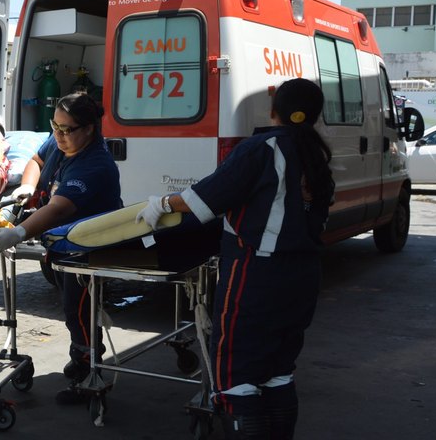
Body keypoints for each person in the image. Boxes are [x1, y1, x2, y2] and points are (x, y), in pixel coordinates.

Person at [135, 78, 334, 439]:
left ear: (274, 110)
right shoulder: (316, 153)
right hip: (304, 275)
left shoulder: (262, 147)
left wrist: (162, 204)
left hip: (258, 274)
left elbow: (207, 197)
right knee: (277, 372)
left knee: (236, 375)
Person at [0, 92, 122, 405]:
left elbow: (59, 208)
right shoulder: (62, 142)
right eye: (54, 126)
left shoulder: (95, 164)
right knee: (72, 306)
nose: (58, 135)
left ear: (89, 129)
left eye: (66, 129)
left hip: (88, 251)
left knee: (79, 310)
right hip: (62, 246)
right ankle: (82, 356)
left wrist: (17, 233)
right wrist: (28, 187)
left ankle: (90, 375)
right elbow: (37, 159)